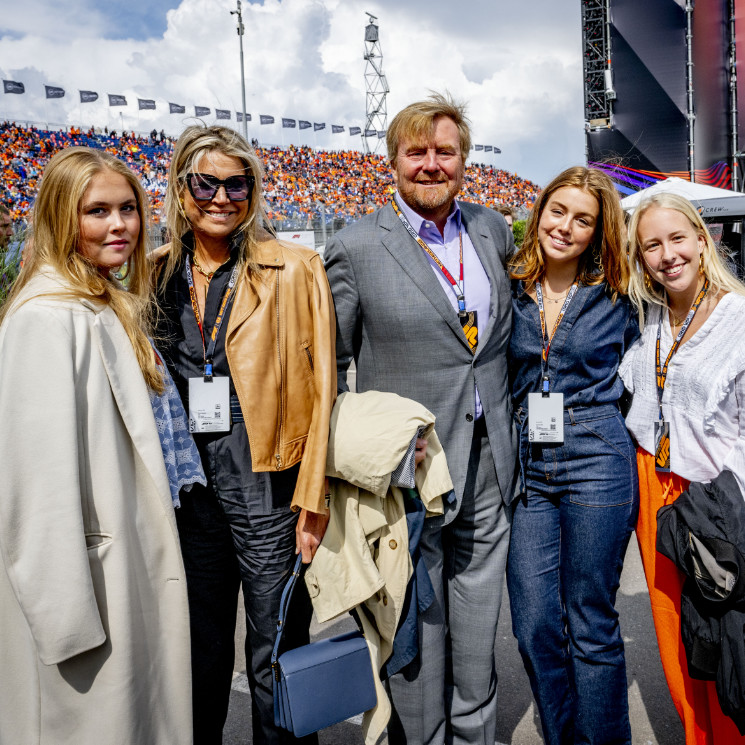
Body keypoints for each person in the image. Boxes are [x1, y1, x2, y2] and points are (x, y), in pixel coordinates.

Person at [324, 92, 517, 745]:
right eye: (417, 152)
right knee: (415, 622)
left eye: (445, 151)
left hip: (490, 460)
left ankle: (476, 733)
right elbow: (330, 365)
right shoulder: (354, 245)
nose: (431, 164)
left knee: (477, 619)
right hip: (408, 472)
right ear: (393, 161)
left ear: (463, 160)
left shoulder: (491, 229)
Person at [0, 147, 193, 744]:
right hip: (88, 591)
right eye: (98, 211)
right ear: (62, 218)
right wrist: (66, 621)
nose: (119, 225)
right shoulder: (45, 319)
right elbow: (33, 490)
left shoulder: (99, 299)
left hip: (121, 569)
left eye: (129, 209)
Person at [153, 124, 336, 745]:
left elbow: (323, 392)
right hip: (186, 496)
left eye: (238, 183)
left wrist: (315, 498)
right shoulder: (151, 275)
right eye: (207, 182)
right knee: (195, 654)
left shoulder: (296, 267)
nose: (222, 196)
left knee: (278, 651)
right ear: (182, 188)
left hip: (270, 490)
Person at [507, 166, 639, 745]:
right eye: (557, 211)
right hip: (528, 465)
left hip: (596, 454)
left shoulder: (621, 292)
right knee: (534, 622)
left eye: (582, 219)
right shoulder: (508, 285)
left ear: (597, 230)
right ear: (539, 213)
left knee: (590, 620)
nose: (565, 227)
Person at [621, 192, 745, 744]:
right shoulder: (648, 316)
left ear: (702, 238)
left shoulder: (738, 318)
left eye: (677, 238)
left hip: (717, 495)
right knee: (675, 635)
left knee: (725, 636)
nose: (667, 254)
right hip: (654, 488)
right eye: (652, 245)